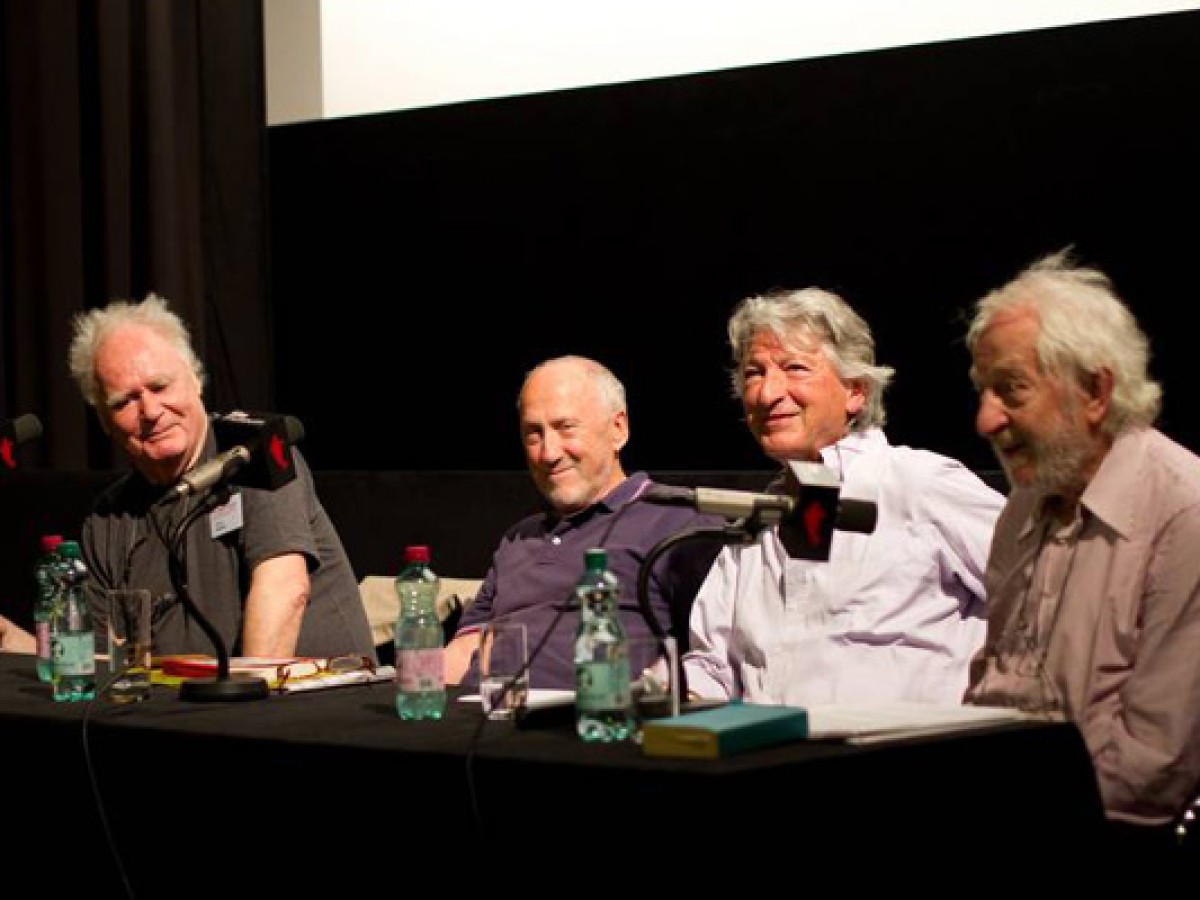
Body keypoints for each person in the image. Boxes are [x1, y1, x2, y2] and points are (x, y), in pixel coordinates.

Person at [962, 248, 1200, 848]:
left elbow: (1156, 765)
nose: (985, 420)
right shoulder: (1024, 503)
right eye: (984, 391)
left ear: (1095, 391)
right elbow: (991, 690)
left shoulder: (1186, 514)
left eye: (1010, 390)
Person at [683, 287, 1005, 705]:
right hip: (768, 759)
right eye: (754, 373)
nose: (767, 393)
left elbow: (1045, 593)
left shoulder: (916, 483)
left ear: (856, 390)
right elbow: (711, 667)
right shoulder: (753, 526)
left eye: (794, 368)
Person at [67, 293, 376, 661]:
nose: (150, 411)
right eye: (124, 402)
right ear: (104, 421)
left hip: (309, 705)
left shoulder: (255, 457)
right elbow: (93, 661)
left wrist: (242, 712)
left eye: (161, 386)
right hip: (175, 712)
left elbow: (284, 589)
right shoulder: (108, 517)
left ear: (196, 380)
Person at [444, 355, 723, 690]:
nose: (548, 453)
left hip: (596, 727)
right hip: (478, 725)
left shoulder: (680, 520)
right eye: (534, 434)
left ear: (618, 429)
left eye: (566, 428)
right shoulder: (517, 538)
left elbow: (716, 661)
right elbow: (462, 653)